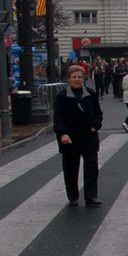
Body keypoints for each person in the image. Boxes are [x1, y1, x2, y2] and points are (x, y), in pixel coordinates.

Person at [53, 64, 103, 207]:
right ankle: (73, 195)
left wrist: (95, 125)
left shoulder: (91, 94)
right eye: (74, 77)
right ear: (68, 79)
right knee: (70, 168)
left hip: (88, 135)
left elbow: (98, 113)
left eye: (79, 77)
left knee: (91, 167)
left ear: (84, 79)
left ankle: (91, 196)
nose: (77, 80)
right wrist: (62, 133)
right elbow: (58, 117)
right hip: (69, 137)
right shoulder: (62, 96)